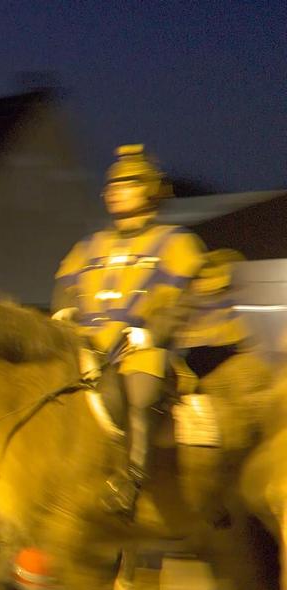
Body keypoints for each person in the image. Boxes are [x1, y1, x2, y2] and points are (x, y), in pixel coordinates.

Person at [52, 144, 208, 518]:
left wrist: (152, 334)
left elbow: (185, 298)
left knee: (139, 391)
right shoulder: (90, 245)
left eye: (128, 184)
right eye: (113, 186)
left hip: (140, 348)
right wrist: (63, 310)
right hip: (89, 347)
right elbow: (64, 281)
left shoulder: (175, 242)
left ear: (149, 192)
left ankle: (132, 482)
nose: (117, 192)